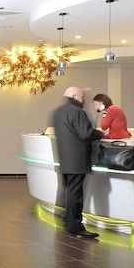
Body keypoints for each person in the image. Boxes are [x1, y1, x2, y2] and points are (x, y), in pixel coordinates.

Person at [51, 86, 103, 239]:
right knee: (76, 194)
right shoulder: (77, 112)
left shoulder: (58, 112)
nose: (84, 100)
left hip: (65, 159)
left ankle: (67, 222)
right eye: (82, 97)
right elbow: (85, 133)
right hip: (77, 159)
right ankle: (75, 227)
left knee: (68, 192)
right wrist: (101, 134)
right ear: (74, 96)